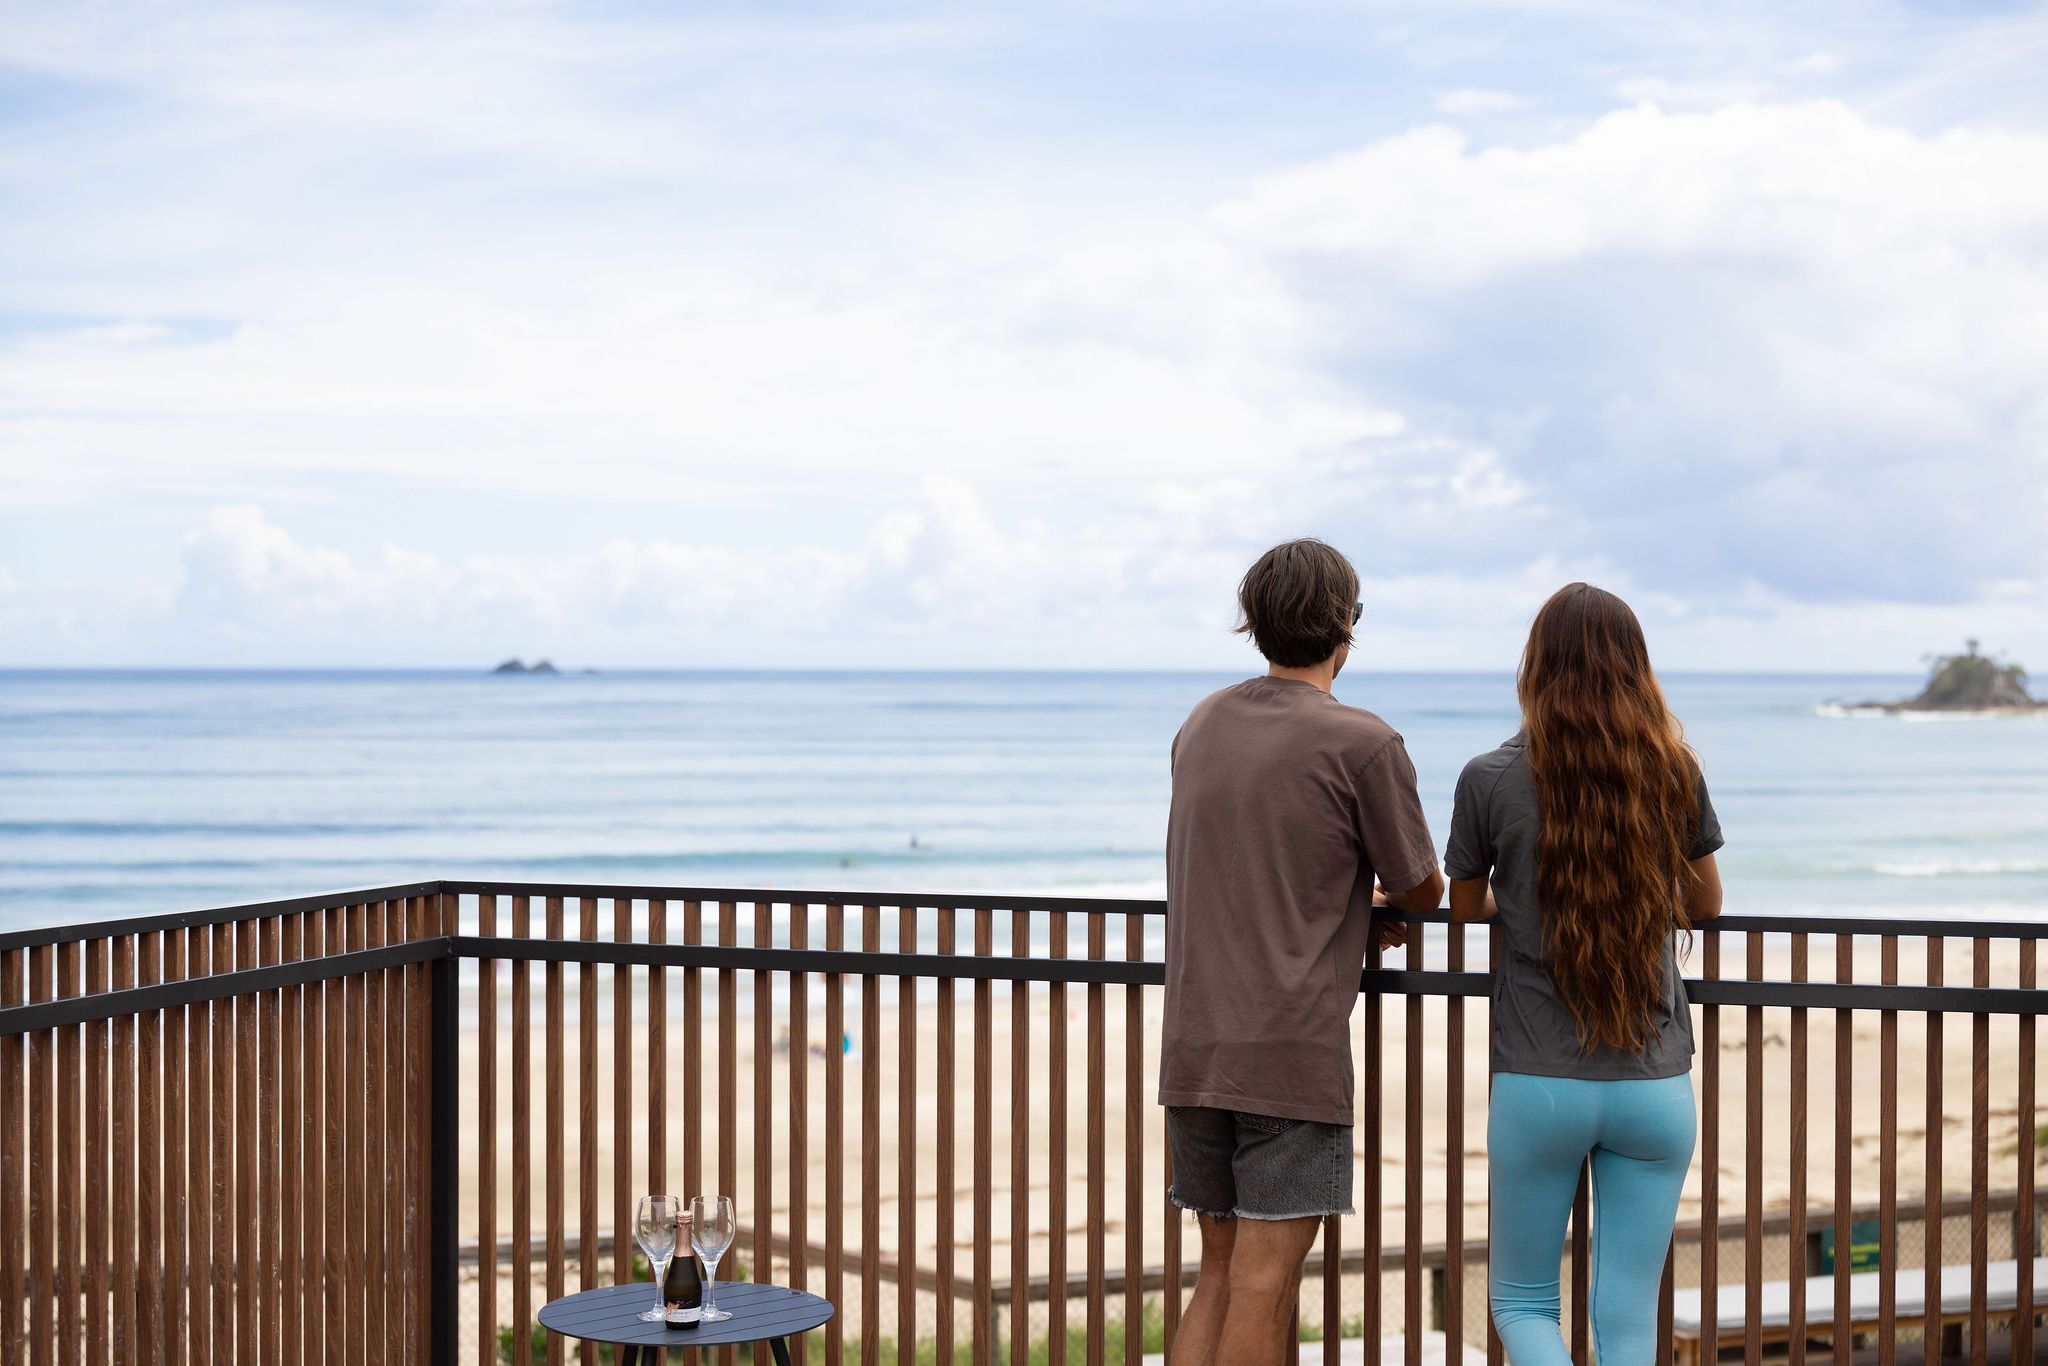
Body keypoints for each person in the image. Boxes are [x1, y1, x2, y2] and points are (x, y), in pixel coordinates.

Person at [1160, 539, 1443, 1366]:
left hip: (1195, 1041)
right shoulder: (1363, 743)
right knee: (1264, 1286)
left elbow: (1257, 861)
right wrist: (1372, 903)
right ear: (1346, 627)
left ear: (1256, 624)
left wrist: (1346, 902)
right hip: (1288, 1052)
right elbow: (1422, 888)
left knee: (1218, 1274)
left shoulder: (1202, 722)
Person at [1444, 583, 1724, 1364]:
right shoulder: (1672, 768)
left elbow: (1466, 906)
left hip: (1539, 1081)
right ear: (1636, 668)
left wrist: (1520, 904)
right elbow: (1703, 901)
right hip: (1654, 1081)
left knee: (1524, 1303)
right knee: (1628, 1319)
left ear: (1536, 666)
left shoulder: (1489, 777)